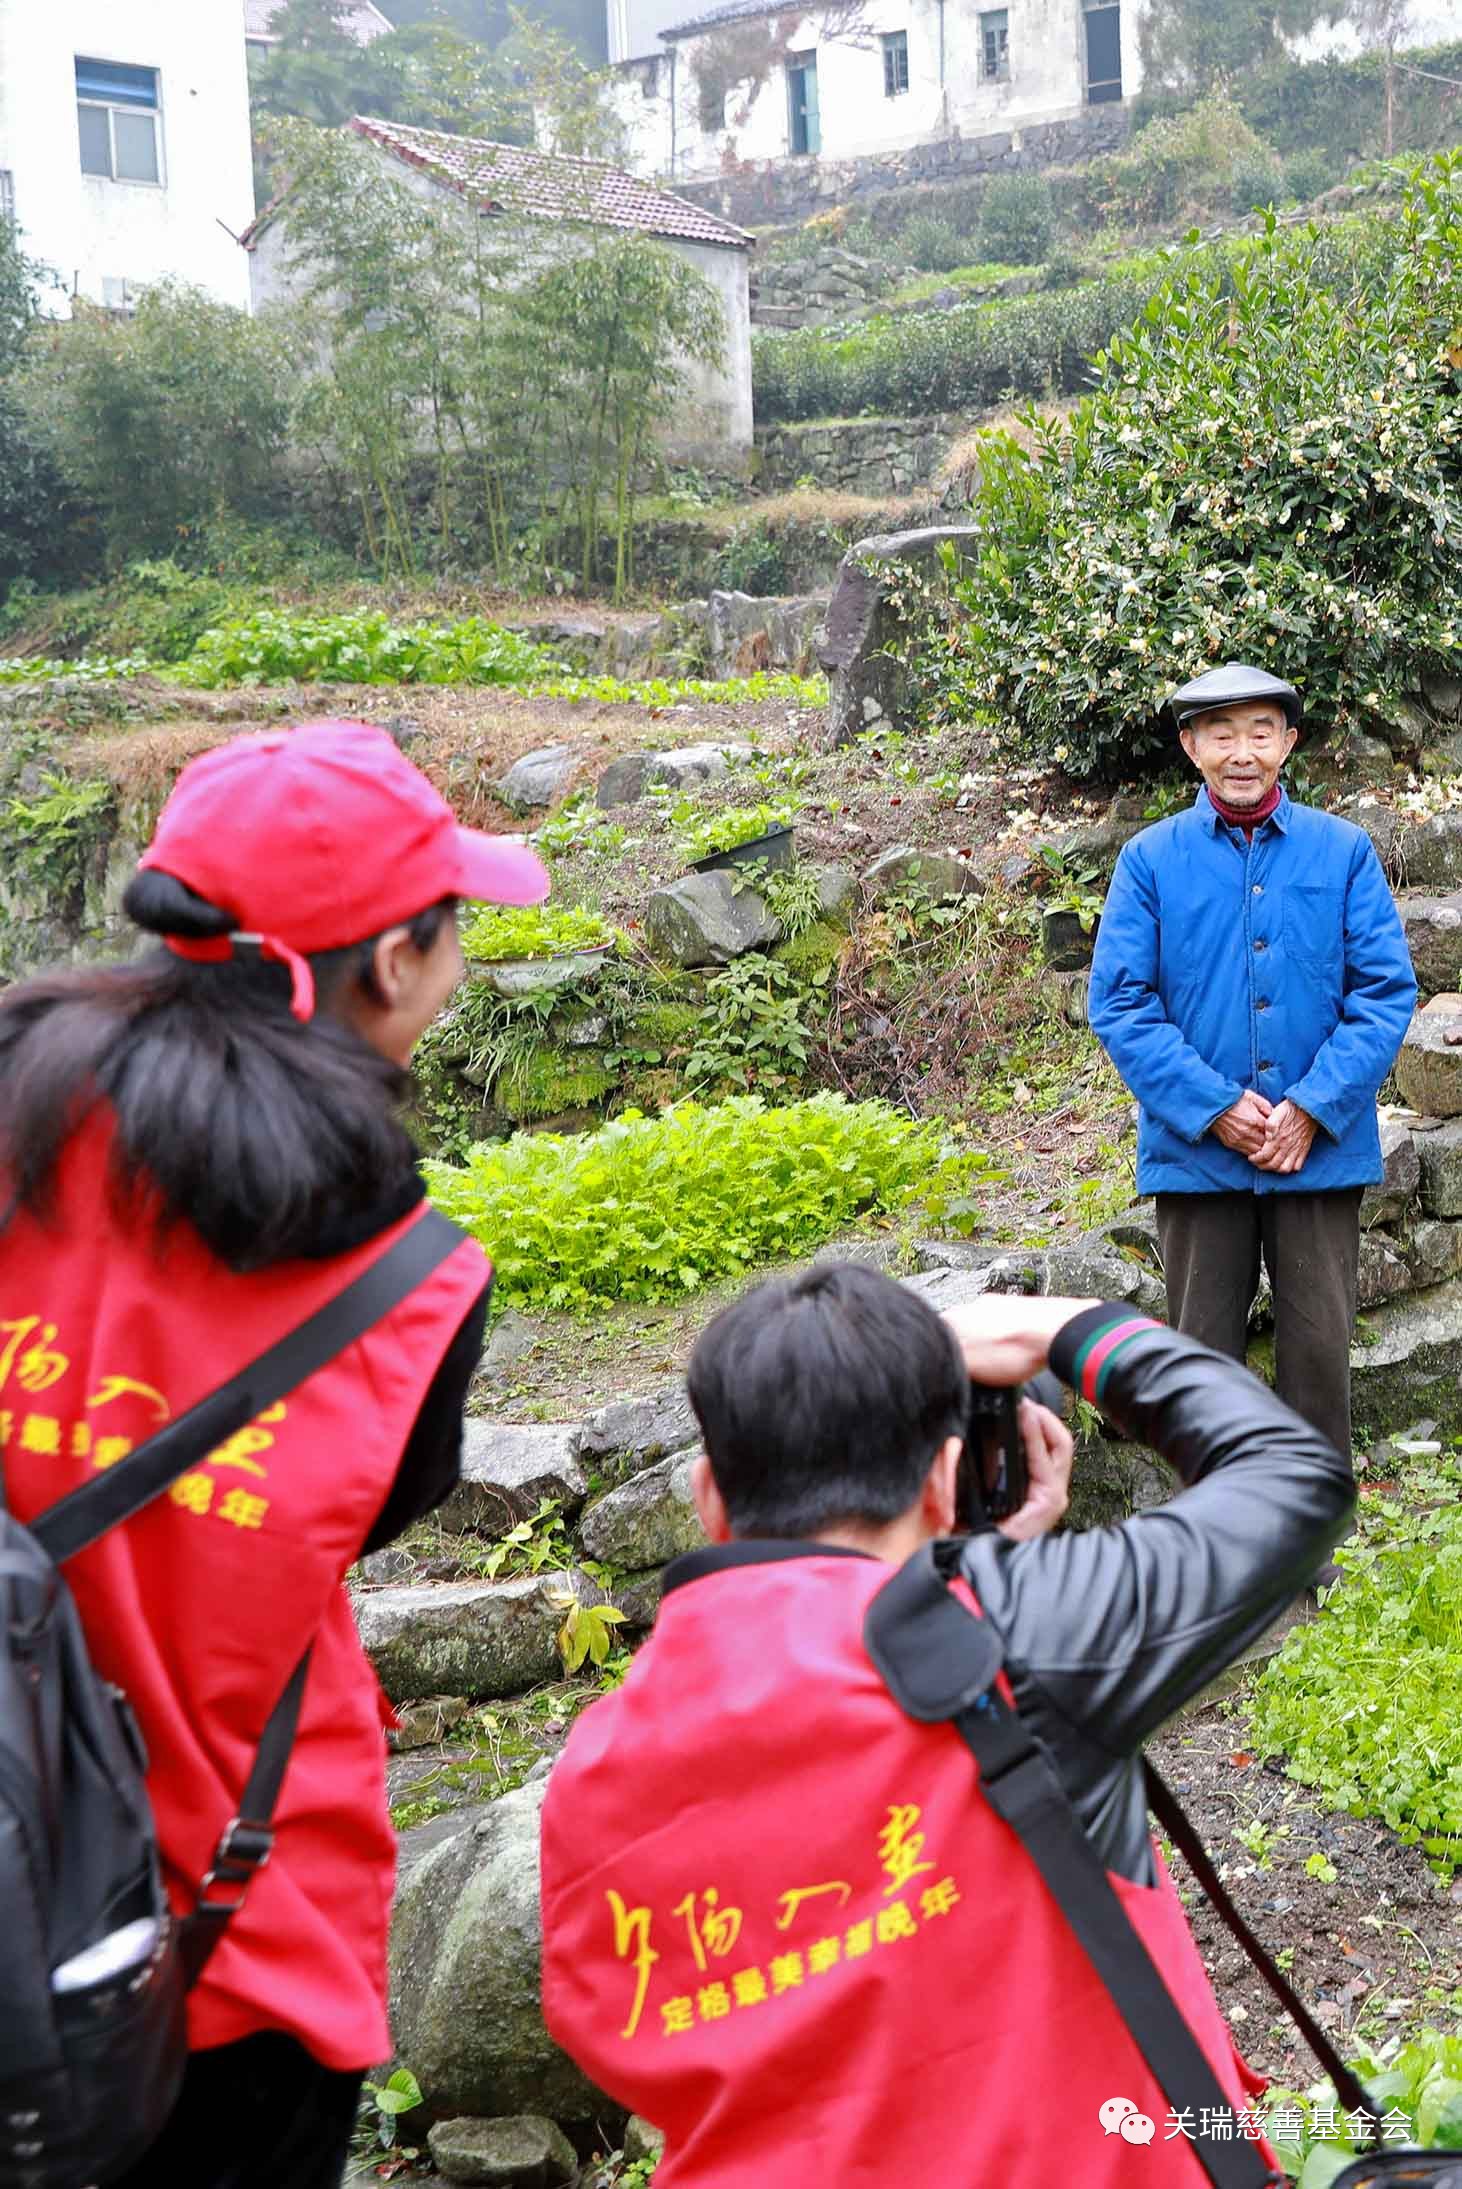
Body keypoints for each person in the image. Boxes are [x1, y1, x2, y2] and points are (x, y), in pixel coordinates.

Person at [0, 719, 548, 2189]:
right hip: (221, 1946)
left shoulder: (12, 1124)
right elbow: (358, 1520)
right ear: (387, 964)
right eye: (451, 933)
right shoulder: (406, 1281)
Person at [539, 1260, 1354, 2186]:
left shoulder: (593, 1766)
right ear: (944, 1478)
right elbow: (1294, 1478)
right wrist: (1072, 1328)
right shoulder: (1016, 1635)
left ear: (707, 1498)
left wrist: (978, 1574)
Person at [1088, 663, 1415, 1481]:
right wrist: (1213, 1107)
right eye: (1222, 733)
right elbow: (1121, 1002)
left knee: (1317, 1352)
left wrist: (1310, 1107)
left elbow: (1384, 992)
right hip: (1200, 1158)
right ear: (1191, 746)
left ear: (1289, 742)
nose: (1243, 751)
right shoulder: (1149, 861)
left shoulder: (1342, 853)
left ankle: (1309, 1539)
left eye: (1261, 731)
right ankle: (1220, 1545)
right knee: (1202, 1365)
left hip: (1318, 1154)